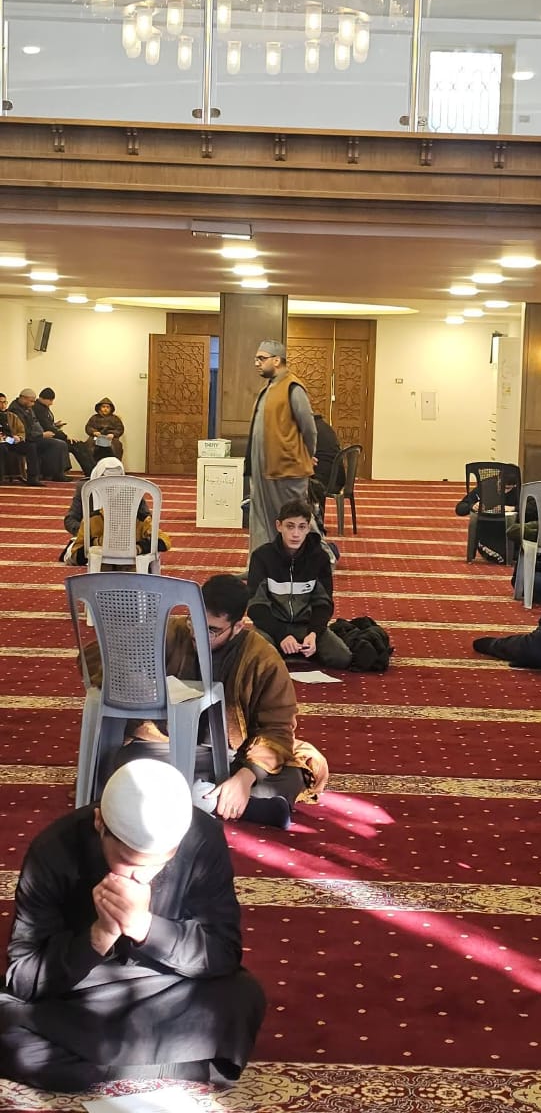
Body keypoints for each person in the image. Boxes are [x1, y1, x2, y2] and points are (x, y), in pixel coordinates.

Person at [0, 759, 266, 1092]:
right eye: (127, 862)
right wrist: (98, 937)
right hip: (83, 992)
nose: (141, 878)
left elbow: (223, 952)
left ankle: (98, 1066)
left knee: (243, 996)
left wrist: (146, 928)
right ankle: (177, 1065)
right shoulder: (53, 850)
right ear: (99, 822)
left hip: (165, 984)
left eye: (157, 864)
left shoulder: (202, 838)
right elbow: (23, 976)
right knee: (6, 1021)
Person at [111, 574, 330, 831]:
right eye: (194, 621)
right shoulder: (171, 632)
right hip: (170, 747)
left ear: (238, 627)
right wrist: (134, 680)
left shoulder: (262, 658)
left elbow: (278, 728)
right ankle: (238, 805)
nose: (198, 634)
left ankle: (197, 796)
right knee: (128, 759)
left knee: (299, 767)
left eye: (212, 630)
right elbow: (101, 655)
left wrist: (245, 777)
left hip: (235, 754)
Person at [247, 498, 352, 670]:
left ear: (308, 528)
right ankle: (285, 647)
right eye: (290, 526)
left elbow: (324, 603)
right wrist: (281, 635)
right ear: (279, 526)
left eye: (301, 527)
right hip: (272, 627)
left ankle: (300, 647)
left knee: (341, 658)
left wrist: (314, 633)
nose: (295, 534)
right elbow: (255, 606)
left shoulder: (319, 558)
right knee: (258, 658)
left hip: (305, 626)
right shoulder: (262, 557)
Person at [245, 341, 317, 556]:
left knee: (295, 518)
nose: (256, 363)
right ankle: (261, 564)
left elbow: (309, 429)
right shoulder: (268, 388)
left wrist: (308, 455)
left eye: (261, 358)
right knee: (262, 519)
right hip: (264, 469)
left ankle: (320, 558)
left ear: (277, 360)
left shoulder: (292, 387)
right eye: (256, 359)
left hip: (286, 469)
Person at [61, 456, 167, 565]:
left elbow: (147, 518)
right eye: (106, 479)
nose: (111, 485)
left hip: (126, 539)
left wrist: (124, 536)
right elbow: (70, 520)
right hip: (92, 539)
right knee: (77, 554)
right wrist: (90, 533)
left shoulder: (132, 491)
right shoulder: (85, 490)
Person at [9, 388, 69, 482]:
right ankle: (53, 474)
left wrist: (43, 433)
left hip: (35, 436)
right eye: (31, 401)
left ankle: (56, 473)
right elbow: (24, 431)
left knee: (60, 443)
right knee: (58, 444)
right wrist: (41, 435)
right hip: (26, 439)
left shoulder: (27, 408)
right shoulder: (15, 410)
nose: (33, 404)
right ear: (23, 398)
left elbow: (35, 423)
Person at [34, 388, 94, 477]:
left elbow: (46, 424)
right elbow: (47, 427)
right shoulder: (39, 409)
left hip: (50, 435)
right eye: (50, 400)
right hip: (45, 437)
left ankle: (92, 470)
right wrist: (65, 437)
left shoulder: (42, 407)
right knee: (76, 445)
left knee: (80, 445)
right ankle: (91, 471)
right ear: (44, 398)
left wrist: (55, 425)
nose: (51, 403)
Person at [0, 392, 44, 486]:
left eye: (4, 402)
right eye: (0, 402)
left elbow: (21, 430)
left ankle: (33, 478)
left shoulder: (11, 415)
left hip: (11, 442)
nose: (3, 405)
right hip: (2, 443)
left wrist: (19, 437)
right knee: (2, 447)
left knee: (31, 446)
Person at [85, 396, 124, 464]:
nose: (105, 409)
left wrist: (113, 434)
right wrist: (94, 432)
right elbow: (88, 427)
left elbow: (120, 429)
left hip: (111, 437)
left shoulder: (115, 418)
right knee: (89, 444)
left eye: (107, 407)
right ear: (99, 408)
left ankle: (115, 465)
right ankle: (90, 466)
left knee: (117, 446)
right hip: (97, 436)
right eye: (103, 407)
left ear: (111, 408)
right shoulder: (94, 418)